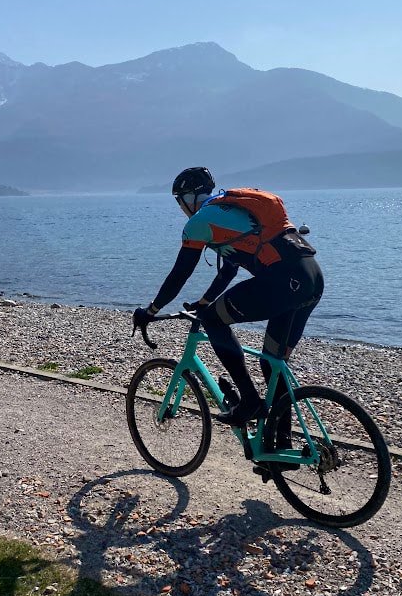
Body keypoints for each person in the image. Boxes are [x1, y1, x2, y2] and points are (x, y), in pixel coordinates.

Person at [133, 167, 324, 442]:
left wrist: (150, 311)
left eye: (179, 201)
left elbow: (180, 273)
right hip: (311, 280)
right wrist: (203, 301)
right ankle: (280, 444)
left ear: (187, 198)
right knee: (272, 362)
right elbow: (228, 272)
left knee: (213, 321)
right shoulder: (232, 213)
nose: (180, 208)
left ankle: (248, 401)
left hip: (284, 282)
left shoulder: (201, 221)